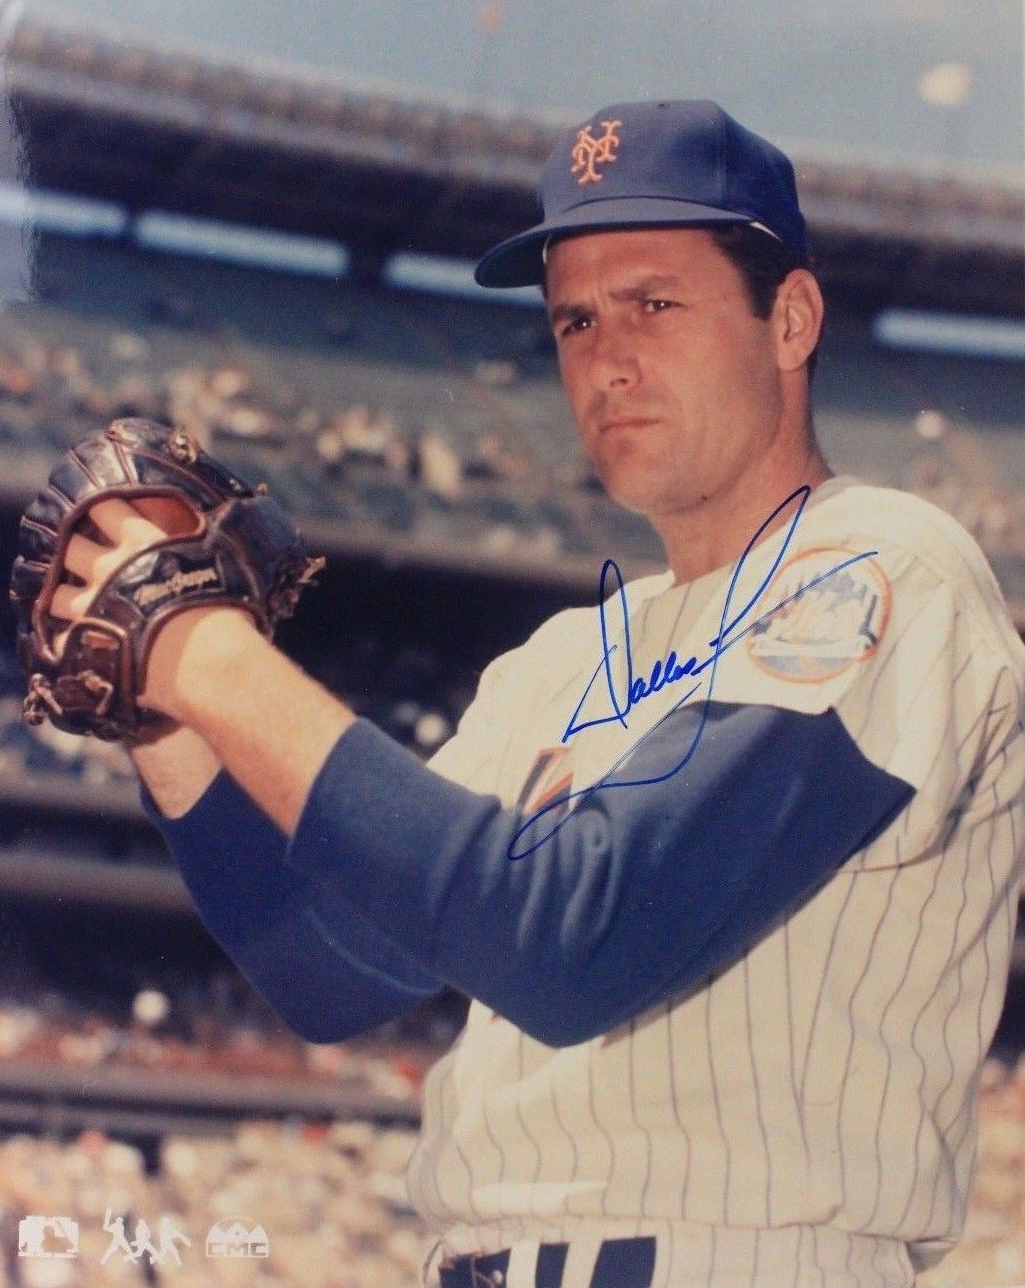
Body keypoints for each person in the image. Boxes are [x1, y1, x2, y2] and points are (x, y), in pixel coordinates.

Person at [50, 100, 1025, 1287]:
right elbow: (334, 968)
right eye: (574, 319)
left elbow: (573, 938)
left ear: (791, 319)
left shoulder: (887, 567)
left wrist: (199, 648)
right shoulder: (562, 657)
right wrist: (160, 715)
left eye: (654, 304)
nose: (606, 358)